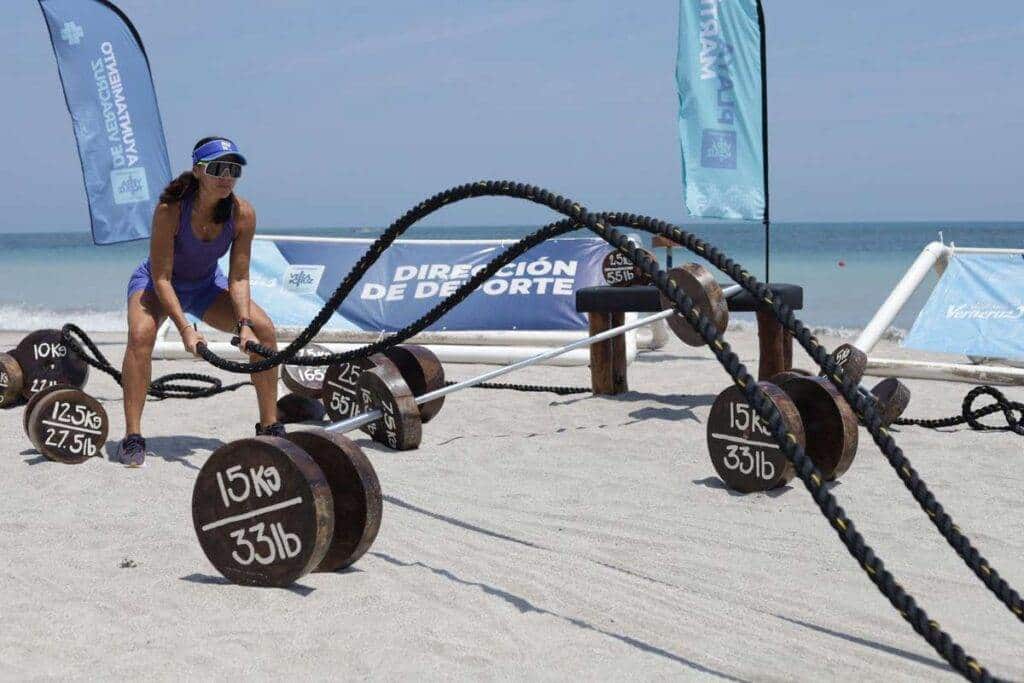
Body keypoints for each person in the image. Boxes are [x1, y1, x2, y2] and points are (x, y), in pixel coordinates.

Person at [119, 136, 282, 467]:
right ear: (197, 171)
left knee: (264, 331)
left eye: (233, 169)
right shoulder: (170, 211)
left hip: (205, 286)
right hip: (157, 285)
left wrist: (245, 326)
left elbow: (238, 278)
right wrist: (185, 330)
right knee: (140, 337)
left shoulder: (242, 214)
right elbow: (163, 278)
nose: (226, 176)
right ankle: (133, 436)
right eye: (218, 168)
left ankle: (270, 427)